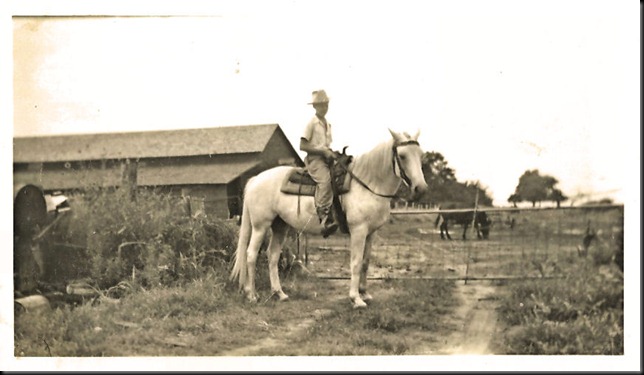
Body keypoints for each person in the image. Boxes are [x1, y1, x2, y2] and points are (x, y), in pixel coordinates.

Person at [300, 89, 339, 236]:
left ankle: (336, 214)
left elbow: (326, 145)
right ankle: (323, 217)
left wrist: (331, 152)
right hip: (315, 160)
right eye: (321, 105)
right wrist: (322, 151)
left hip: (326, 158)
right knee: (326, 181)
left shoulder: (327, 124)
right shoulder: (311, 123)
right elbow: (302, 145)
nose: (324, 108)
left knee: (342, 176)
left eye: (326, 105)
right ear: (315, 107)